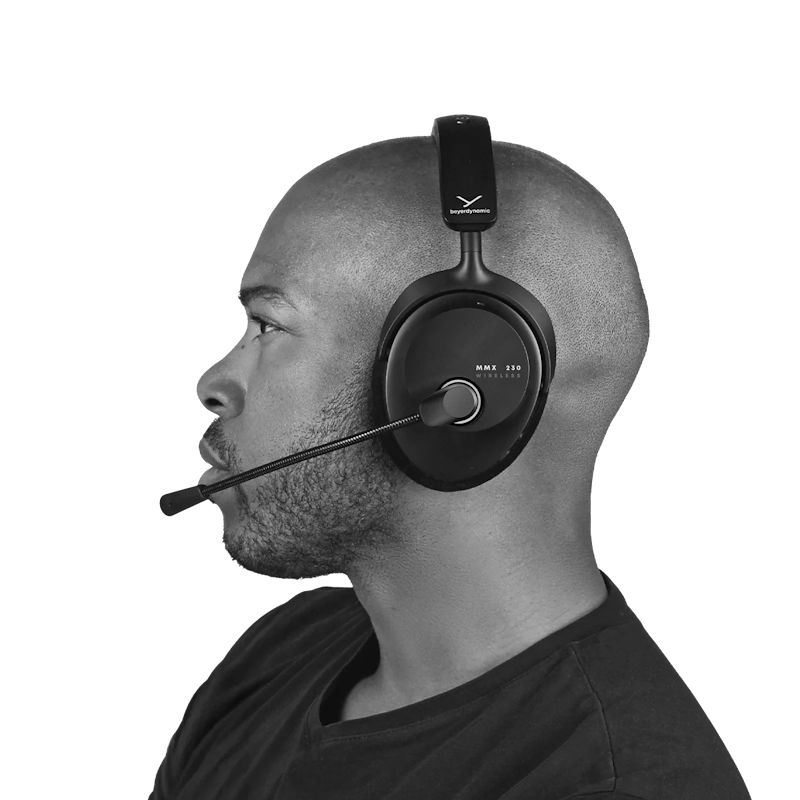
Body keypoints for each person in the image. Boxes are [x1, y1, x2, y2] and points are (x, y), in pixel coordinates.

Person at [149, 133, 751, 799]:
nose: (215, 383)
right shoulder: (284, 650)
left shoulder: (612, 785)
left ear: (454, 379)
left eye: (268, 326)